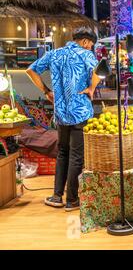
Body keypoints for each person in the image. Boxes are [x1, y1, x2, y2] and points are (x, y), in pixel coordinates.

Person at [26, 27, 100, 211]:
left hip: (61, 112)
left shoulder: (55, 54)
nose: (90, 48)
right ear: (85, 42)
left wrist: (46, 92)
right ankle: (72, 200)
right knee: (76, 156)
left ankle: (57, 196)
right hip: (80, 112)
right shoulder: (86, 55)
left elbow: (31, 70)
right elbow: (99, 73)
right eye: (91, 45)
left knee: (63, 153)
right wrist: (91, 89)